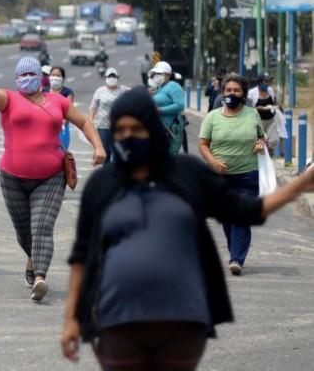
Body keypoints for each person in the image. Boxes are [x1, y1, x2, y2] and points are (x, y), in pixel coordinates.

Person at [60, 86, 314, 371]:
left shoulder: (188, 173)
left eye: (137, 128)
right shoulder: (102, 184)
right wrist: (72, 318)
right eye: (120, 129)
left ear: (152, 128)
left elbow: (248, 211)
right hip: (116, 320)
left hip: (182, 323)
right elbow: (81, 255)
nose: (127, 136)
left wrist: (299, 186)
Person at [0, 56, 106, 302]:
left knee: (42, 226)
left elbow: (85, 121)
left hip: (52, 176)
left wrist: (98, 145)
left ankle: (40, 278)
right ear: (16, 78)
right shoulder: (7, 99)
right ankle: (33, 260)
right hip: (12, 178)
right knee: (24, 233)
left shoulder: (59, 101)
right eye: (21, 75)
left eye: (31, 74)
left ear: (40, 78)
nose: (26, 79)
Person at [199, 73, 265, 275]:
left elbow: (262, 138)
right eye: (228, 90)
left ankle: (236, 258)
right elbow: (203, 144)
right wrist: (213, 162)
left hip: (247, 176)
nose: (232, 93)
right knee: (228, 219)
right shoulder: (212, 117)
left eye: (236, 90)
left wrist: (261, 144)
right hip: (219, 179)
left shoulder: (252, 114)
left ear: (243, 93)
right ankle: (235, 250)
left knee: (240, 216)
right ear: (223, 92)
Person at [89, 67, 130, 164]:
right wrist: (90, 120)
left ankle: (116, 172)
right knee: (106, 151)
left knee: (117, 152)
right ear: (105, 77)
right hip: (103, 126)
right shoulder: (100, 91)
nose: (111, 78)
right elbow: (93, 107)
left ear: (117, 78)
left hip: (118, 126)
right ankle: (107, 172)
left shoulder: (123, 89)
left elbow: (136, 93)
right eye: (109, 76)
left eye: (114, 76)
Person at [148, 61, 185, 154]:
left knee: (169, 161)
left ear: (168, 75)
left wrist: (159, 110)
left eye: (159, 73)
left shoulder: (174, 87)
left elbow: (180, 105)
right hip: (158, 129)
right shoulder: (157, 87)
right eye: (155, 73)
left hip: (171, 130)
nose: (156, 75)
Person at [42, 66, 75, 150]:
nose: (55, 78)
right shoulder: (44, 91)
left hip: (62, 129)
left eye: (58, 75)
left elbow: (68, 111)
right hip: (45, 128)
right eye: (53, 75)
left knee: (61, 154)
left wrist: (61, 126)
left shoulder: (67, 92)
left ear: (63, 79)